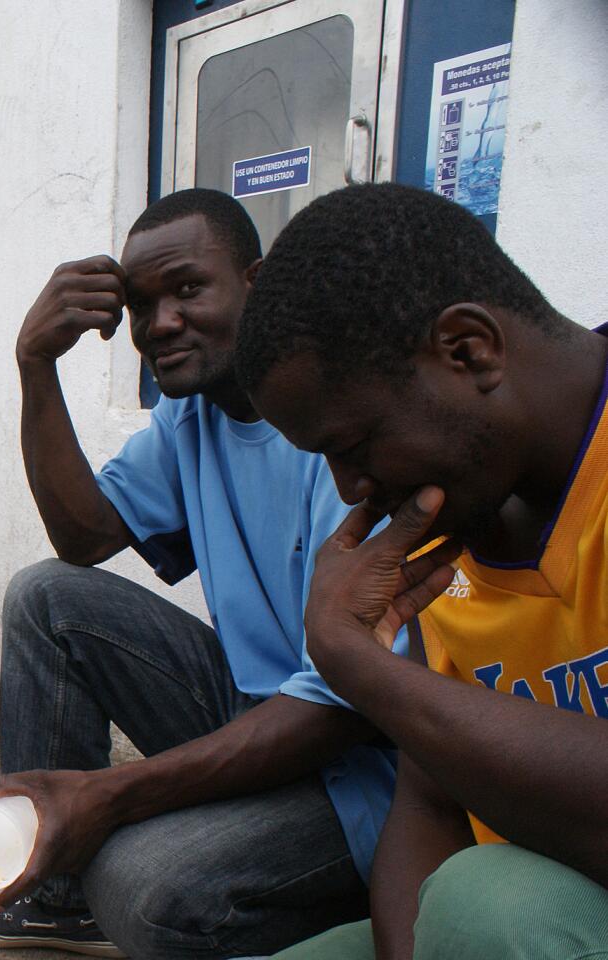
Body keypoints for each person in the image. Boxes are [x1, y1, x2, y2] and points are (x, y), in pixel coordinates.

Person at [0, 189, 401, 959]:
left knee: (144, 887)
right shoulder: (193, 415)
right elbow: (82, 537)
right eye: (143, 303)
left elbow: (345, 704)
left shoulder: (338, 429)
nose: (161, 324)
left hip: (360, 764)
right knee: (47, 598)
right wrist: (35, 364)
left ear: (259, 283)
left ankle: (323, 892)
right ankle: (57, 898)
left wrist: (112, 796)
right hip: (256, 708)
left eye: (188, 289)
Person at [234, 183, 608, 959]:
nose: (348, 491)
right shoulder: (458, 527)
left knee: (487, 905)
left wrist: (355, 662)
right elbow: (432, 806)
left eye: (355, 446)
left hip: (523, 917)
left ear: (469, 350)